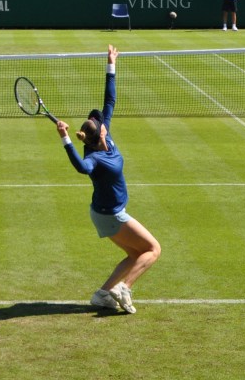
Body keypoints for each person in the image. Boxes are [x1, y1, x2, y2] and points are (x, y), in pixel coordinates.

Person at [56, 45, 160, 314]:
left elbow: (109, 100)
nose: (105, 119)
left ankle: (102, 294)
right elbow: (81, 168)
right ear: (100, 131)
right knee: (152, 249)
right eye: (101, 121)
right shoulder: (94, 158)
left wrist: (111, 63)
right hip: (110, 214)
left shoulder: (104, 136)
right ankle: (124, 288)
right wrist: (65, 139)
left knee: (135, 254)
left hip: (104, 212)